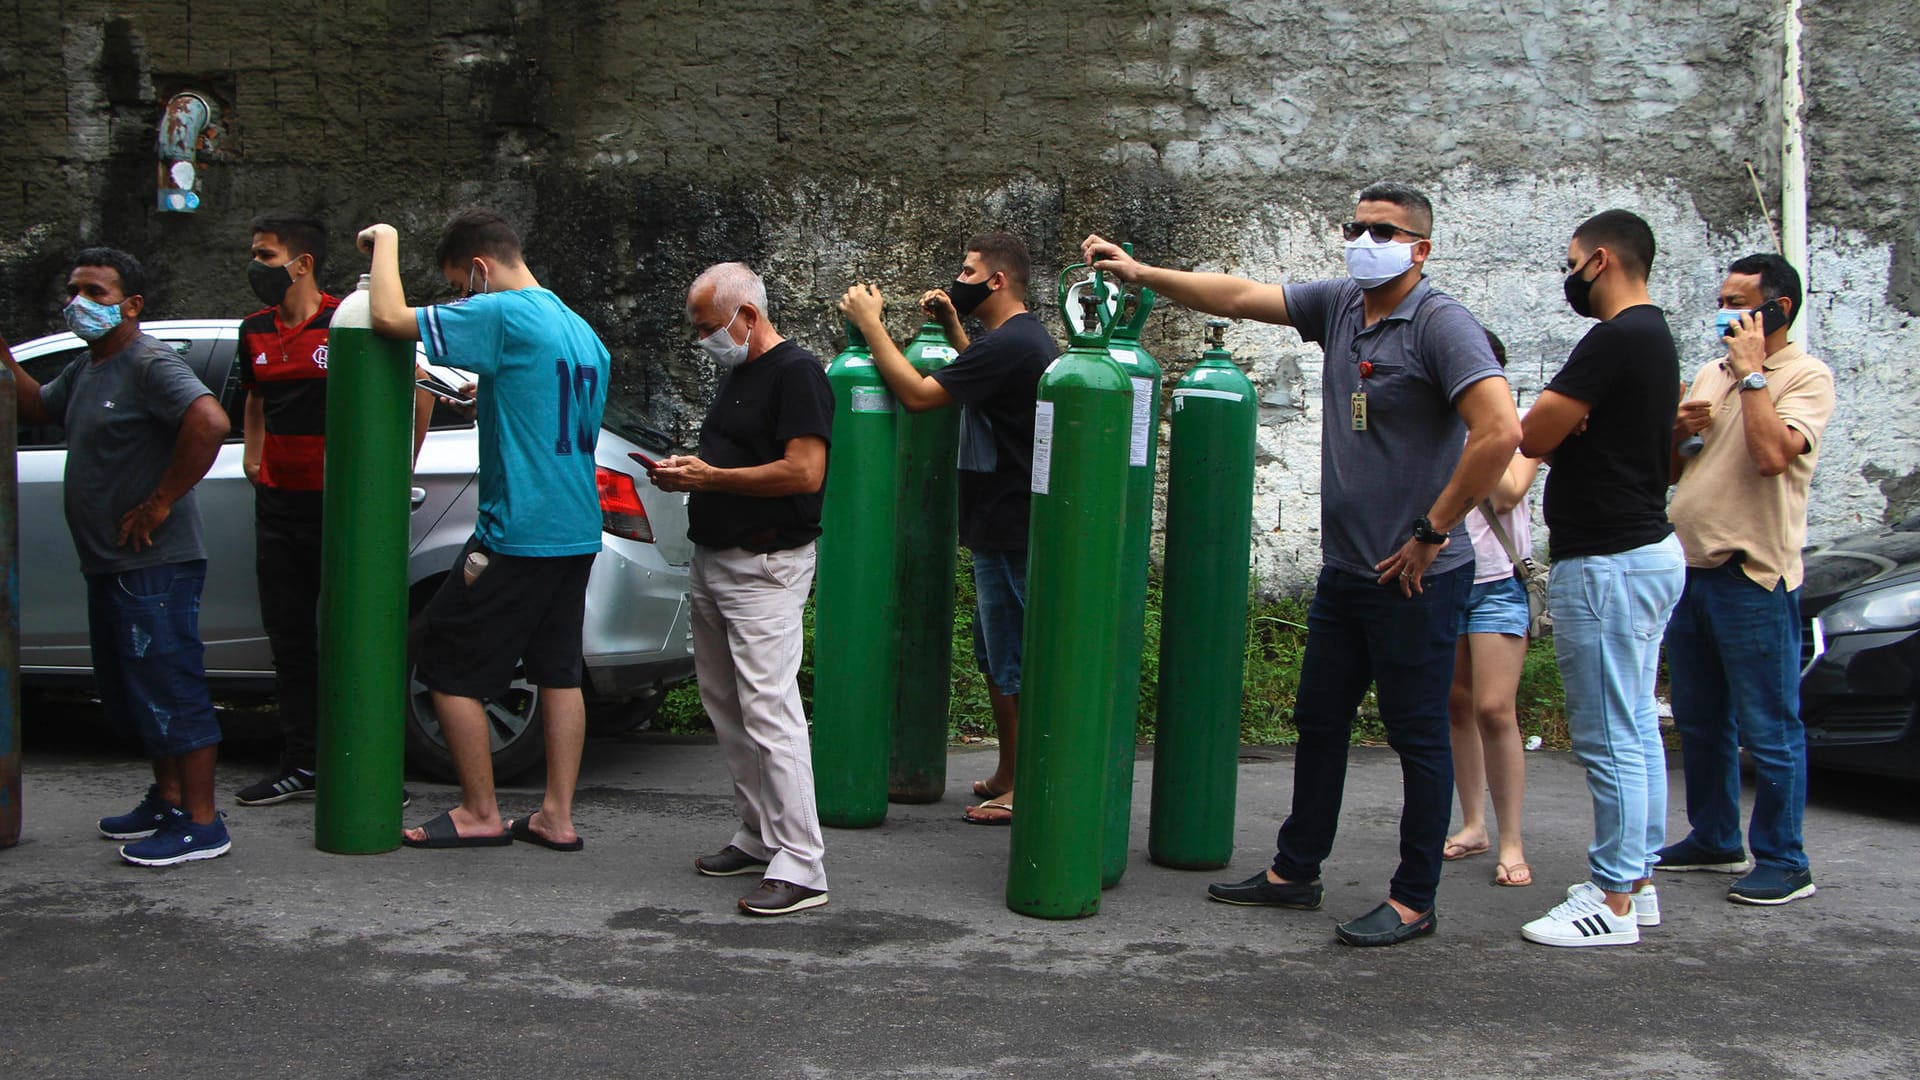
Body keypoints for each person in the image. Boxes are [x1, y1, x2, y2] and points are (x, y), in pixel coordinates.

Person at [1085, 181, 1522, 946]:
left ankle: (1415, 898)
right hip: (1348, 571)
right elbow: (1243, 295)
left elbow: (1500, 432)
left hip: (1416, 578)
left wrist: (1433, 530)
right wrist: (1141, 272)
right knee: (1319, 718)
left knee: (1417, 734)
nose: (1363, 238)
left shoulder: (1443, 325)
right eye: (1355, 226)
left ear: (1420, 248)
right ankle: (1296, 870)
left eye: (1383, 230)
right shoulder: (1345, 306)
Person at [355, 210, 609, 854]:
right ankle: (556, 816)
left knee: (445, 659)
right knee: (558, 672)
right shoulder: (580, 329)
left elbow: (387, 317)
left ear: (478, 268)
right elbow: (541, 405)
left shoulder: (506, 313)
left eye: (460, 286)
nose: (462, 299)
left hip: (515, 530)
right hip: (575, 528)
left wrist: (386, 240)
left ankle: (479, 811)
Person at [3, 248, 233, 865]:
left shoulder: (148, 362)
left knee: (172, 685)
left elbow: (209, 421)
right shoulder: (88, 367)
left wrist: (159, 502)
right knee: (138, 689)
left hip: (154, 565)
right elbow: (35, 407)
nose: (80, 303)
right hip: (109, 564)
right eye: (75, 290)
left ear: (130, 306)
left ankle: (203, 823)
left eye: (97, 293)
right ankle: (168, 798)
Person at [838, 232, 1057, 826]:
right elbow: (976, 377)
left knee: (1014, 658)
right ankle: (1010, 770)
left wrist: (871, 322)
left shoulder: (1012, 345)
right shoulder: (1016, 342)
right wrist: (955, 326)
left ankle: (1028, 783)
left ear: (997, 281)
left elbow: (917, 395)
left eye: (967, 270)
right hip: (1001, 522)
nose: (957, 277)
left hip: (1011, 526)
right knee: (995, 654)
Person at [1517, 209, 1685, 948]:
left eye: (1573, 260)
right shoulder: (1658, 340)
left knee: (1610, 732)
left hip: (1609, 561)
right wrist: (1565, 425)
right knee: (1638, 723)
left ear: (1603, 260)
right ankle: (1635, 881)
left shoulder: (1615, 339)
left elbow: (1531, 432)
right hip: (1645, 550)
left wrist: (1560, 422)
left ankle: (1613, 900)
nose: (1570, 275)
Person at [231, 211, 434, 807]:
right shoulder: (255, 330)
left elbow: (418, 387)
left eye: (265, 255)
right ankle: (302, 764)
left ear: (303, 263)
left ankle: (369, 767)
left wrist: (396, 469)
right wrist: (253, 459)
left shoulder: (348, 320)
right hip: (279, 508)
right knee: (290, 641)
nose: (255, 266)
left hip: (342, 510)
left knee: (354, 637)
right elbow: (254, 400)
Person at [660, 262, 835, 916]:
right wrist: (692, 473)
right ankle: (762, 834)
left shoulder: (797, 374)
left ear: (748, 317)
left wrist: (708, 480)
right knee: (728, 706)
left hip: (764, 564)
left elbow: (804, 471)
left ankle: (802, 863)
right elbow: (733, 462)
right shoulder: (741, 374)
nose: (705, 339)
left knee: (769, 709)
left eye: (710, 327)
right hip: (719, 558)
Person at [1659, 254, 1833, 906]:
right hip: (1693, 569)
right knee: (1700, 721)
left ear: (1778, 310)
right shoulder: (1711, 370)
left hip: (1752, 575)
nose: (1726, 313)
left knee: (1769, 725)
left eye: (1741, 302)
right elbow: (1680, 471)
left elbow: (1770, 457)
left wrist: (1754, 375)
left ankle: (1786, 860)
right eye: (1723, 299)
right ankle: (1714, 836)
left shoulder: (1805, 377)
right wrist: (1677, 431)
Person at [1443, 331, 1542, 887]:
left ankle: (1511, 841)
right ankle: (1474, 824)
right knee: (1457, 706)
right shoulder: (1438, 425)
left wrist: (1487, 427)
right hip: (1446, 577)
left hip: (1499, 582)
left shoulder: (1523, 427)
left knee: (1495, 709)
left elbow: (1506, 492)